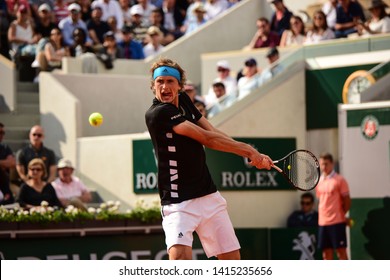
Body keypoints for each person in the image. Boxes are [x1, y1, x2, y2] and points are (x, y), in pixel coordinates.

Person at [145, 57, 274, 260]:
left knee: (232, 264)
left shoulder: (185, 101)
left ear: (179, 86)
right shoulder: (158, 113)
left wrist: (252, 153)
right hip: (178, 203)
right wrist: (248, 151)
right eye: (160, 82)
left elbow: (212, 131)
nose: (165, 86)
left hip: (208, 196)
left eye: (170, 81)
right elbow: (206, 139)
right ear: (153, 86)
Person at [316, 152, 351, 260]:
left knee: (341, 252)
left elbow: (347, 200)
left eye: (326, 164)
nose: (324, 167)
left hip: (337, 222)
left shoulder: (340, 180)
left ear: (332, 164)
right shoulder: (318, 181)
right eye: (322, 164)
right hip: (322, 222)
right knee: (326, 254)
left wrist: (341, 214)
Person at [0, 123, 16, 205]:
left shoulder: (5, 148)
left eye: (3, 133)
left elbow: (12, 163)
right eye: (0, 132)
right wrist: (3, 164)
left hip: (3, 184)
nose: (1, 135)